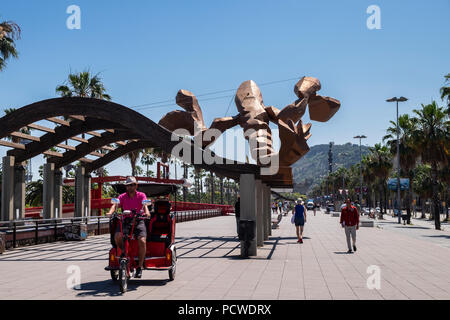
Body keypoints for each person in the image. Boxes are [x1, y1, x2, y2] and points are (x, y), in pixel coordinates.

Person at [107, 176, 150, 278]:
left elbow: (145, 206)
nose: (130, 187)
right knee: (117, 236)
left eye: (132, 185)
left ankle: (139, 267)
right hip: (126, 221)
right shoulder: (122, 196)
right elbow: (115, 205)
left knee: (142, 240)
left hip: (138, 220)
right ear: (126, 187)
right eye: (128, 185)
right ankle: (124, 252)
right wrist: (110, 212)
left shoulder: (141, 195)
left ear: (136, 185)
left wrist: (147, 213)